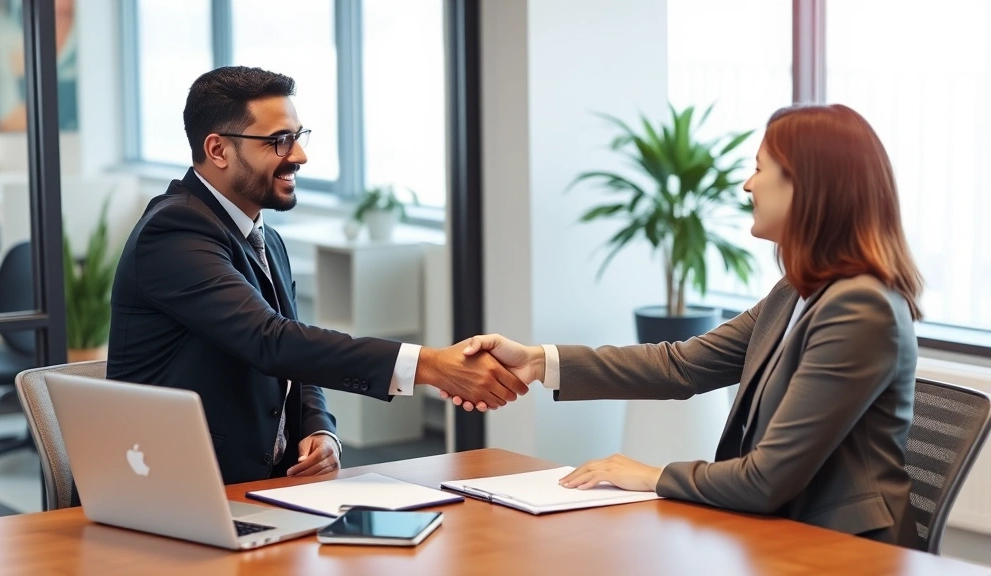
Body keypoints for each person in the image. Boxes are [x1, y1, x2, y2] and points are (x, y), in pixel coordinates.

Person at [449, 104, 924, 548]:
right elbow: (682, 365)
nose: (747, 185)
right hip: (784, 534)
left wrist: (652, 475)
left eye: (759, 168)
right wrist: (538, 361)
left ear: (806, 185)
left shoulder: (859, 307)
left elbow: (765, 479)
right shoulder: (797, 292)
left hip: (846, 552)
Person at [107, 66, 527, 486]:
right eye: (278, 141)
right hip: (172, 490)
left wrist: (318, 427)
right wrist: (432, 365)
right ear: (218, 150)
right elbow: (269, 340)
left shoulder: (264, 237)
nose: (299, 155)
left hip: (262, 486)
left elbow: (293, 349)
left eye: (297, 136)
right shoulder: (174, 232)